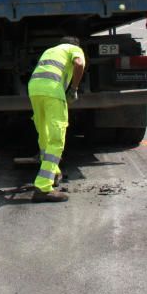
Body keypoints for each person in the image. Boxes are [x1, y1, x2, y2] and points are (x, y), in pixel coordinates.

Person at [28, 36, 85, 203]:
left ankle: (54, 172)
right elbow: (79, 64)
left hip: (34, 89)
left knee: (44, 133)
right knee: (57, 138)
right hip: (52, 91)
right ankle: (43, 187)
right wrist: (74, 88)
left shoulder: (50, 50)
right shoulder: (74, 49)